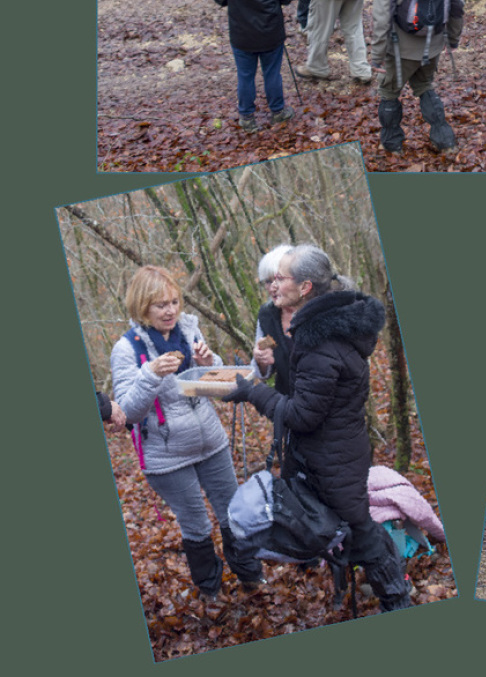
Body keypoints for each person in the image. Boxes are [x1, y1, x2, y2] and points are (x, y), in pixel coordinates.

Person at [227, 245, 412, 613]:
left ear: (306, 287)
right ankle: (350, 585)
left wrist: (253, 393)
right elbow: (300, 398)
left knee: (361, 530)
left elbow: (302, 415)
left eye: (280, 278)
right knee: (332, 525)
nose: (272, 285)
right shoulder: (318, 323)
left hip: (334, 457)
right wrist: (260, 371)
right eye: (270, 279)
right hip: (325, 449)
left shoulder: (320, 341)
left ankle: (397, 600)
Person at [110, 266, 263, 596]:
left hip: (210, 441)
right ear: (142, 307)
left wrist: (209, 362)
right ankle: (210, 590)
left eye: (174, 302)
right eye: (160, 305)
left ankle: (251, 576)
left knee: (234, 513)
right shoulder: (126, 349)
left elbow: (219, 387)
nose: (170, 311)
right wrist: (150, 374)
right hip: (167, 456)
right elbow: (128, 413)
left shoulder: (189, 330)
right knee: (196, 524)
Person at [370, 0, 464, 155]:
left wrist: (377, 56)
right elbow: (457, 3)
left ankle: (392, 144)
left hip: (399, 49)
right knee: (425, 86)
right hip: (433, 43)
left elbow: (381, 16)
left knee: (389, 92)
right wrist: (452, 39)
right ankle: (445, 141)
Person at [209, 0, 295, 132]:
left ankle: (247, 117)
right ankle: (277, 111)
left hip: (241, 33)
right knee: (272, 73)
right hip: (270, 32)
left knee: (245, 75)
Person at [250, 244, 296, 395]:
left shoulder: (318, 310)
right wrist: (261, 360)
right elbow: (262, 372)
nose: (272, 288)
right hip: (287, 402)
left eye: (279, 279)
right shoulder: (267, 316)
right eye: (268, 282)